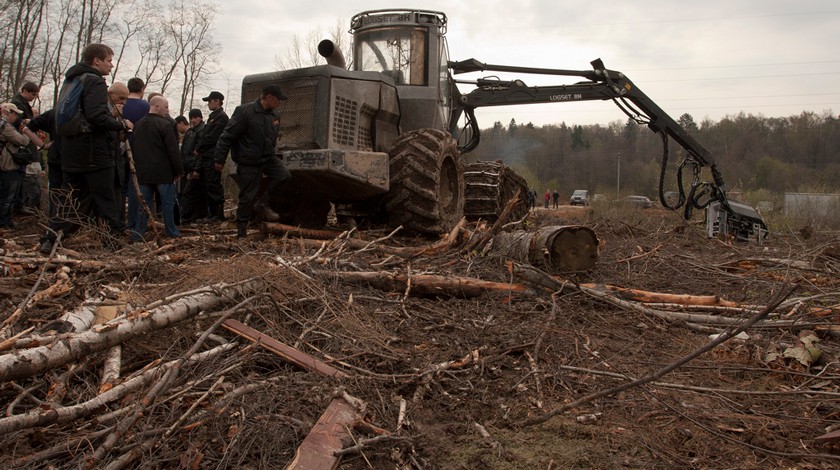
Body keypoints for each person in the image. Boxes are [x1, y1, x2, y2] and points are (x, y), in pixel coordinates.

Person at [39, 43, 132, 254]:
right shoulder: (94, 81)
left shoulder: (71, 80)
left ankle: (50, 239)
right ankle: (114, 245)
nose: (111, 65)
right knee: (105, 199)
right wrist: (121, 124)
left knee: (69, 200)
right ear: (96, 60)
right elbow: (97, 116)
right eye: (108, 60)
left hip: (71, 154)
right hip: (94, 154)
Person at [214, 85, 290, 238]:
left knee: (284, 176)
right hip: (248, 161)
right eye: (278, 99)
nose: (280, 103)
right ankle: (241, 231)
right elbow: (226, 137)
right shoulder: (245, 112)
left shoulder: (274, 116)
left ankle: (264, 202)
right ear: (269, 97)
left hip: (268, 158)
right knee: (247, 196)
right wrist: (219, 159)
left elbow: (272, 139)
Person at [130, 96, 183, 240]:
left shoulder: (138, 125)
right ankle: (171, 231)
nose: (167, 110)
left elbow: (134, 149)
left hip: (144, 172)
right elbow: (173, 150)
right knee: (168, 204)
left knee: (144, 205)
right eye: (165, 107)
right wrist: (178, 170)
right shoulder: (165, 125)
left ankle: (138, 233)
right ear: (157, 106)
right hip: (163, 173)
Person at [193, 91, 228, 221]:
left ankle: (218, 214)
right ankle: (212, 213)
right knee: (208, 184)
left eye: (210, 101)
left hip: (213, 155)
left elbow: (212, 137)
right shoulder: (213, 117)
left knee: (213, 184)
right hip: (206, 156)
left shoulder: (222, 117)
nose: (208, 103)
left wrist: (199, 148)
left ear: (217, 101)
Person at [0, 103, 32, 229]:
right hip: (8, 165)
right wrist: (25, 131)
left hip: (5, 165)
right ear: (10, 113)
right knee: (7, 196)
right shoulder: (6, 128)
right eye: (15, 114)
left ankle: (6, 221)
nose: (17, 117)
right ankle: (4, 222)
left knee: (6, 195)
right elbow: (24, 141)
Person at [11, 82, 42, 215]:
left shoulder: (22, 102)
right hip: (21, 141)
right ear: (25, 91)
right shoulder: (17, 102)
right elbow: (17, 121)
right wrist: (26, 122)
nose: (34, 97)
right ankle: (17, 206)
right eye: (33, 94)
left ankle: (19, 204)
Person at [179, 108, 206, 223]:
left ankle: (188, 217)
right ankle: (192, 217)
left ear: (200, 117)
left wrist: (197, 169)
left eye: (196, 117)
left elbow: (201, 151)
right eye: (191, 118)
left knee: (190, 193)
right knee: (189, 192)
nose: (193, 120)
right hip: (187, 166)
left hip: (196, 167)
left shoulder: (202, 131)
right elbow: (184, 151)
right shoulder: (190, 132)